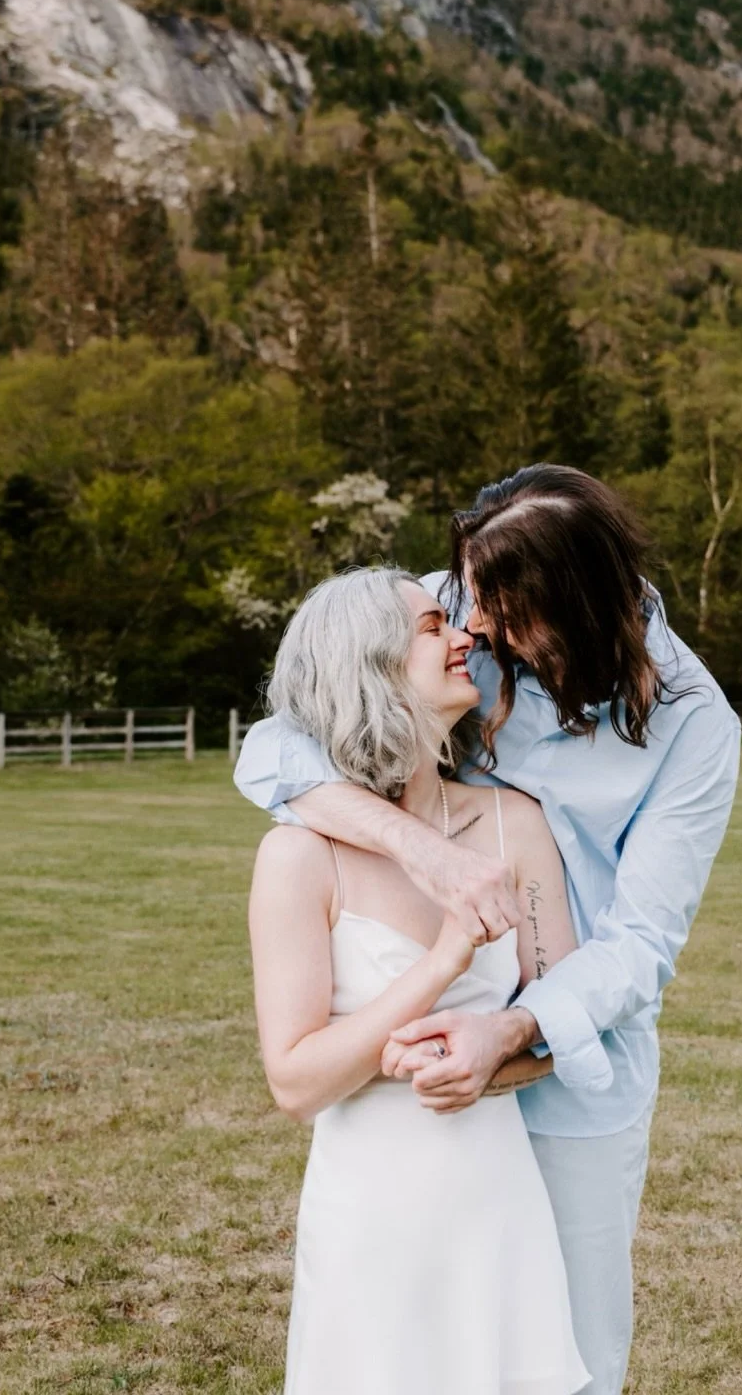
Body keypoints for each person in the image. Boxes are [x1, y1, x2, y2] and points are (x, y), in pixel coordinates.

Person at [238, 465, 742, 1395]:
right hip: (410, 1104)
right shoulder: (457, 612)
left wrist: (508, 1031)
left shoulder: (696, 726)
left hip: (574, 1065)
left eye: (501, 615)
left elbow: (639, 948)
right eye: (461, 602)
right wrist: (423, 852)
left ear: (586, 608)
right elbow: (280, 745)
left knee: (567, 1360)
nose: (475, 629)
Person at [249, 565, 589, 1395]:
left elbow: (563, 1023)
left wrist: (491, 1061)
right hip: (372, 1213)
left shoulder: (517, 826)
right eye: (435, 626)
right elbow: (295, 1083)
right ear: (367, 664)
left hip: (498, 1202)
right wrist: (441, 966)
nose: (465, 635)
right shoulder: (300, 855)